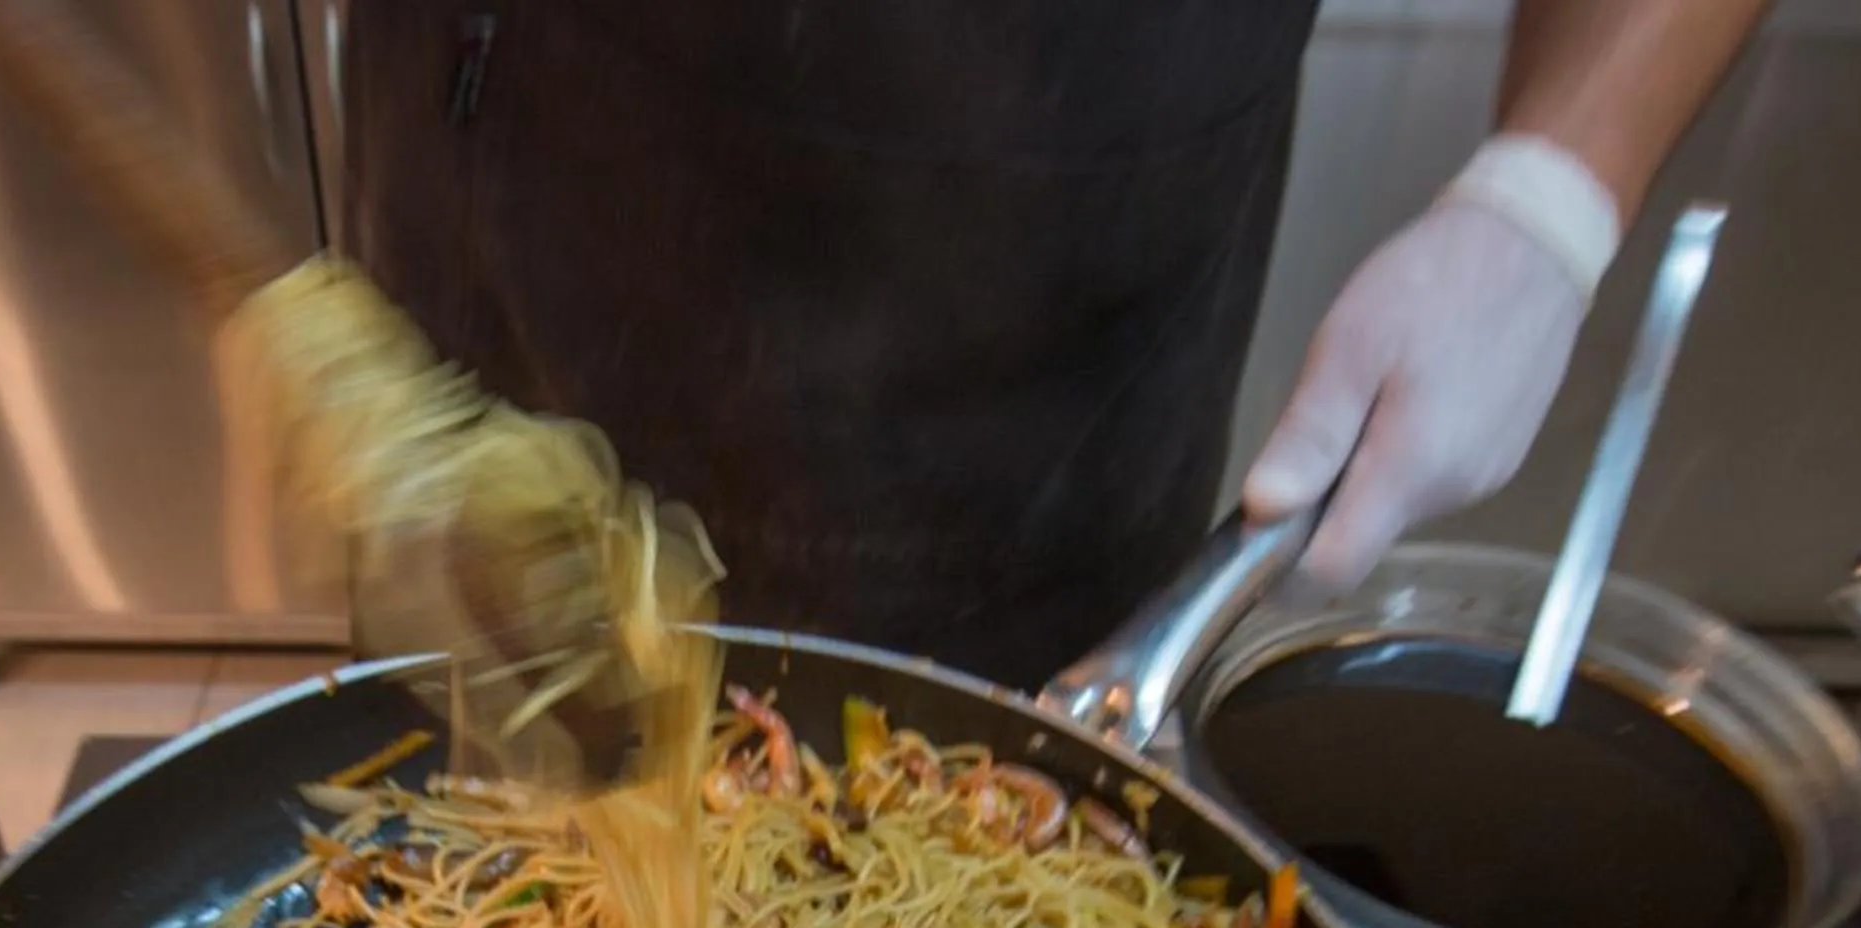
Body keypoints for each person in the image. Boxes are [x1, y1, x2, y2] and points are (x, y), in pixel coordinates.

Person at [344, 1, 1768, 692]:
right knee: (476, 812)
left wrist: (1551, 195)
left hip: (1064, 260)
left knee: (995, 851)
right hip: (550, 143)